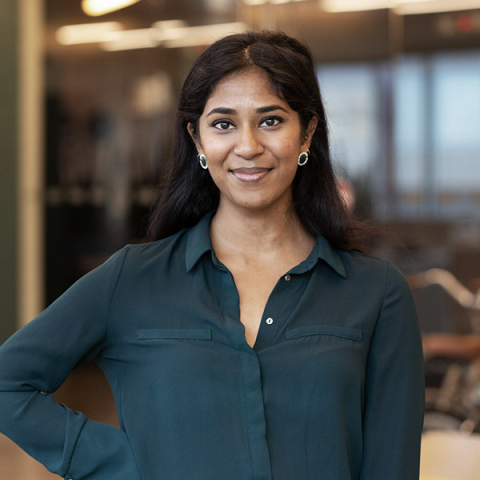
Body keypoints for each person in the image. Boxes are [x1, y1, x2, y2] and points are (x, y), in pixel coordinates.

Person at [0, 30, 424, 480]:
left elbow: (391, 466)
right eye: (223, 123)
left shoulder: (377, 293)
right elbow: (8, 382)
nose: (247, 147)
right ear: (197, 139)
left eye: (271, 120)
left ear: (307, 133)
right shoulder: (133, 279)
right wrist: (124, 466)